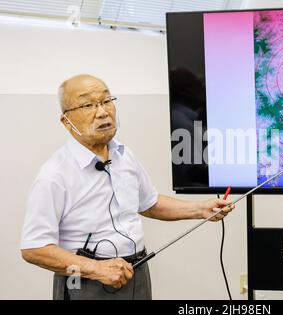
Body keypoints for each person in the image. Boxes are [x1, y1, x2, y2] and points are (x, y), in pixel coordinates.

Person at [20, 74, 234, 300]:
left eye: (106, 101)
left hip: (136, 272)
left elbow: (149, 202)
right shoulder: (55, 174)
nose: (102, 112)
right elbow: (34, 248)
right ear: (66, 121)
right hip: (86, 282)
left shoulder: (124, 155)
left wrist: (201, 209)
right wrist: (97, 269)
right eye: (88, 105)